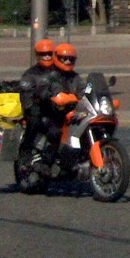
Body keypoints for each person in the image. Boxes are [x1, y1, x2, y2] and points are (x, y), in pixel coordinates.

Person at [34, 43, 82, 171]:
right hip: (50, 112)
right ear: (57, 57)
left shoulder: (75, 77)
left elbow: (84, 89)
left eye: (71, 59)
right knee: (55, 132)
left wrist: (91, 92)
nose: (67, 61)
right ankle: (46, 161)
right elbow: (54, 91)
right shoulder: (51, 75)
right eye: (64, 58)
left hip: (69, 112)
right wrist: (58, 97)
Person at [18, 39, 55, 161]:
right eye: (43, 54)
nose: (47, 56)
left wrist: (89, 90)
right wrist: (33, 103)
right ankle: (26, 150)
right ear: (37, 55)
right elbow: (26, 94)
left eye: (49, 53)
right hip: (38, 108)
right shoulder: (30, 74)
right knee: (35, 120)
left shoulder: (60, 71)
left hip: (56, 108)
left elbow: (79, 84)